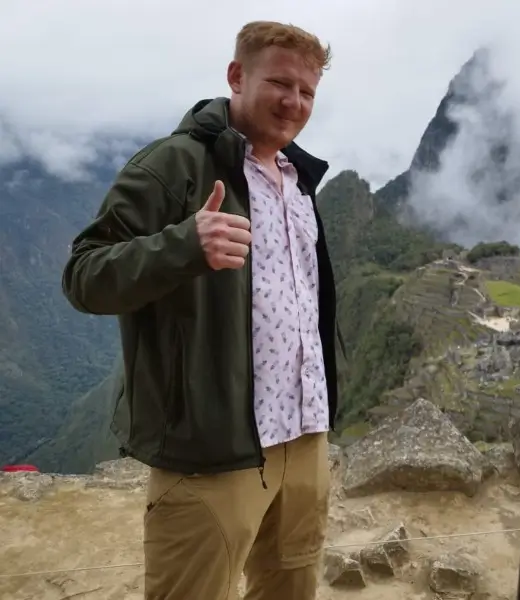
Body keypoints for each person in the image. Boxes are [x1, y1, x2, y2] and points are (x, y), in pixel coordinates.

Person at [61, 20, 344, 600]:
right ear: (237, 76)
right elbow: (83, 275)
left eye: (307, 91)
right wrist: (182, 246)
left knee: (290, 589)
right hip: (211, 451)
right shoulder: (173, 166)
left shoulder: (296, 180)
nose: (294, 102)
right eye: (280, 83)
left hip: (304, 437)